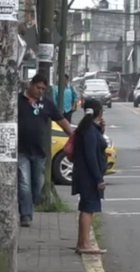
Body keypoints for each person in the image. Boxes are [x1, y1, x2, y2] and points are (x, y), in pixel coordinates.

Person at [16, 74, 74, 228]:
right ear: (31, 84)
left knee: (37, 184)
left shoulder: (46, 104)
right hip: (21, 150)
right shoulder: (17, 101)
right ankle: (25, 215)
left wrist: (75, 137)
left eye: (43, 89)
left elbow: (62, 121)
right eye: (38, 88)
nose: (40, 91)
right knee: (24, 183)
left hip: (39, 152)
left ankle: (30, 203)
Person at [71, 99, 108, 254]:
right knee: (88, 208)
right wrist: (98, 178)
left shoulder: (89, 128)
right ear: (99, 112)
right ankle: (85, 244)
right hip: (88, 176)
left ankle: (82, 242)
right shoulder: (90, 131)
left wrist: (101, 129)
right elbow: (91, 155)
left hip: (85, 174)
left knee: (87, 207)